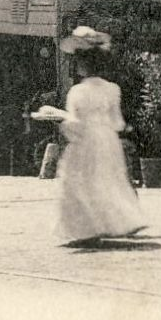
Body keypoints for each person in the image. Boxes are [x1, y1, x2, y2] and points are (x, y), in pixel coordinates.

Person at [48, 27, 147, 247]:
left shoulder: (78, 92)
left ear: (82, 64)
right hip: (108, 141)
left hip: (87, 141)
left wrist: (58, 119)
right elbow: (118, 123)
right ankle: (115, 222)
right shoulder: (112, 89)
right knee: (107, 181)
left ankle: (86, 229)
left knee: (78, 182)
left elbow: (75, 124)